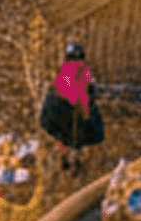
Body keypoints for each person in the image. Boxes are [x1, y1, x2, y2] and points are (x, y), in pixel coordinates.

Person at [40, 39, 103, 168]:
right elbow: (84, 91)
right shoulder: (84, 71)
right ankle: (75, 157)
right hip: (76, 109)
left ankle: (64, 154)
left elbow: (66, 89)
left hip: (61, 109)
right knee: (82, 132)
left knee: (58, 130)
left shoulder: (65, 71)